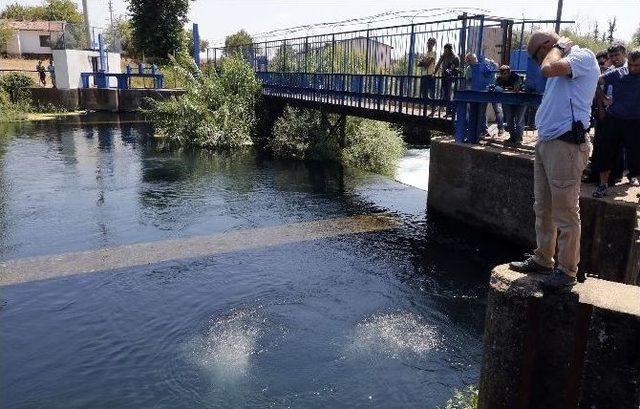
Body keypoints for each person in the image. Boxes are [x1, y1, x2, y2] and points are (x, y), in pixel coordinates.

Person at [510, 30, 599, 289]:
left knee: (566, 210)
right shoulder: (559, 64)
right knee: (544, 207)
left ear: (549, 44)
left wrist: (557, 49)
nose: (538, 62)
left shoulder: (582, 56)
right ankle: (543, 258)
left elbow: (548, 68)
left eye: (537, 55)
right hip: (548, 143)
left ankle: (567, 270)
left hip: (566, 143)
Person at [592, 49, 640, 197]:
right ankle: (603, 186)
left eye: (637, 66)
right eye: (631, 65)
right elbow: (595, 81)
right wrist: (603, 98)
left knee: (637, 157)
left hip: (635, 122)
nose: (633, 68)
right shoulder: (618, 73)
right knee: (606, 153)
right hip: (614, 119)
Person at [495, 65, 525, 144]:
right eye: (501, 73)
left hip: (520, 100)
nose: (503, 75)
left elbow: (517, 86)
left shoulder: (515, 77)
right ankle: (512, 137)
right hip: (508, 101)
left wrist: (516, 87)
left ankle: (519, 138)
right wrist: (498, 88)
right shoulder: (500, 79)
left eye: (504, 73)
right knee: (509, 119)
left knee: (519, 120)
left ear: (509, 73)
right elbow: (496, 86)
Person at [434, 43, 460, 118]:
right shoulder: (444, 55)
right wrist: (434, 73)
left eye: (447, 51)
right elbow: (438, 64)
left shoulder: (455, 57)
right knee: (445, 94)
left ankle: (451, 111)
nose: (446, 52)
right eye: (445, 51)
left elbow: (456, 69)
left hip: (452, 78)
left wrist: (451, 70)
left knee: (450, 94)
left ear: (451, 50)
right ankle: (448, 111)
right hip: (444, 77)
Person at [418, 37, 437, 116]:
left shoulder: (433, 53)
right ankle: (432, 107)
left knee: (429, 93)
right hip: (424, 75)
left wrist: (423, 62)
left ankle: (433, 107)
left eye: (431, 43)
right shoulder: (426, 53)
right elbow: (419, 64)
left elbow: (426, 64)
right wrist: (423, 62)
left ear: (433, 45)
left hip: (429, 75)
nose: (429, 44)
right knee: (423, 93)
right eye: (428, 43)